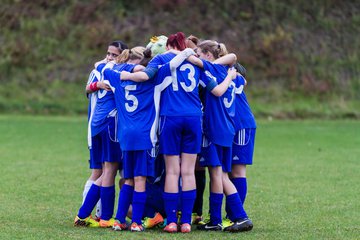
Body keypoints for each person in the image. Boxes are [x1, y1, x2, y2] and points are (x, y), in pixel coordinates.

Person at [100, 46, 197, 232]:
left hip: (125, 137)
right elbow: (172, 66)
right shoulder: (153, 80)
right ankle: (136, 221)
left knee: (127, 179)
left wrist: (125, 71)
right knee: (140, 180)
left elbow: (103, 67)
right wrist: (185, 52)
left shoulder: (115, 77)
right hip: (145, 137)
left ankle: (119, 220)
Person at [186, 40, 253, 232]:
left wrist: (182, 53)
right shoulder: (228, 72)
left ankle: (240, 216)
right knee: (218, 174)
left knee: (220, 175)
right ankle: (215, 219)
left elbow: (216, 90)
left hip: (213, 130)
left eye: (199, 53)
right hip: (226, 129)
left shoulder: (210, 71)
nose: (196, 56)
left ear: (208, 55)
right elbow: (237, 72)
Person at [74, 41, 128, 228]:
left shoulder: (105, 68)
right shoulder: (116, 72)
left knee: (104, 171)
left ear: (122, 56)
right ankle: (101, 216)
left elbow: (94, 78)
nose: (109, 57)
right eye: (108, 53)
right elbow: (88, 88)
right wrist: (98, 83)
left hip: (99, 125)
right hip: (107, 124)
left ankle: (88, 215)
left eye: (114, 54)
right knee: (106, 171)